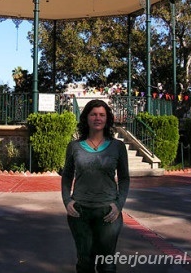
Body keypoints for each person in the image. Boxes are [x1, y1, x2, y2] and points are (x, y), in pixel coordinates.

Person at [61, 99, 130, 273]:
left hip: (108, 212)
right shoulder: (74, 146)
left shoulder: (118, 146)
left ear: (107, 119)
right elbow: (67, 175)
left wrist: (119, 205)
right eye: (93, 114)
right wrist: (67, 200)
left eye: (102, 115)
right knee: (84, 262)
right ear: (86, 118)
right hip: (79, 212)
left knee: (106, 264)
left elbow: (124, 178)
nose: (97, 118)